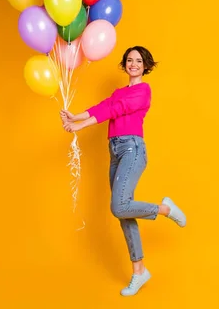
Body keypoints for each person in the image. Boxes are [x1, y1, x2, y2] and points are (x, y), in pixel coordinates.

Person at [59, 46, 186, 297]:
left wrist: (81, 125)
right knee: (124, 211)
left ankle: (165, 209)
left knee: (118, 206)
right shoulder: (119, 92)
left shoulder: (143, 91)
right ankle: (139, 272)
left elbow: (113, 111)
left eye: (138, 61)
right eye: (130, 60)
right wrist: (75, 116)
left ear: (145, 65)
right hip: (115, 150)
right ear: (125, 64)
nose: (134, 64)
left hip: (132, 149)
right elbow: (104, 105)